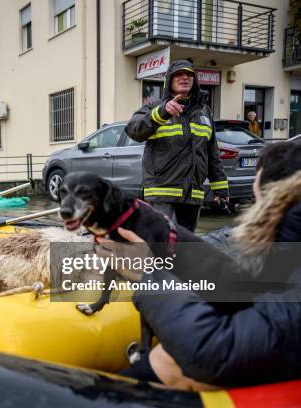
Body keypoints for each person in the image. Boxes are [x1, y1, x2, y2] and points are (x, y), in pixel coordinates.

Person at [113, 142, 301, 390]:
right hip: (176, 195)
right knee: (165, 358)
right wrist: (165, 237)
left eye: (256, 200)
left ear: (271, 199)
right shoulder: (287, 251)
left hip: (224, 358)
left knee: (170, 362)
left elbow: (214, 350)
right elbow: (238, 284)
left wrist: (149, 274)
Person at [125, 60, 229, 232]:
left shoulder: (204, 111)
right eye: (179, 74)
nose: (185, 78)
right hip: (161, 194)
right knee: (163, 246)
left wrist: (221, 187)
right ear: (169, 80)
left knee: (185, 249)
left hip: (193, 195)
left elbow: (212, 153)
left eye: (189, 74)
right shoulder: (154, 106)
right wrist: (161, 113)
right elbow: (133, 130)